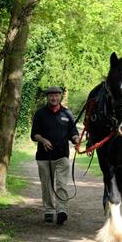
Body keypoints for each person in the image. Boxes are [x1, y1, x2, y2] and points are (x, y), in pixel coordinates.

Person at [31, 86, 79, 225]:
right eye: (51, 96)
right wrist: (43, 140)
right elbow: (34, 134)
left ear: (60, 97)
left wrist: (76, 139)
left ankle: (62, 211)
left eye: (56, 95)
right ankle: (49, 211)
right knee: (47, 185)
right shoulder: (40, 114)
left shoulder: (67, 114)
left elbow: (73, 132)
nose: (54, 98)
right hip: (43, 157)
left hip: (62, 155)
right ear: (47, 97)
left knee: (61, 184)